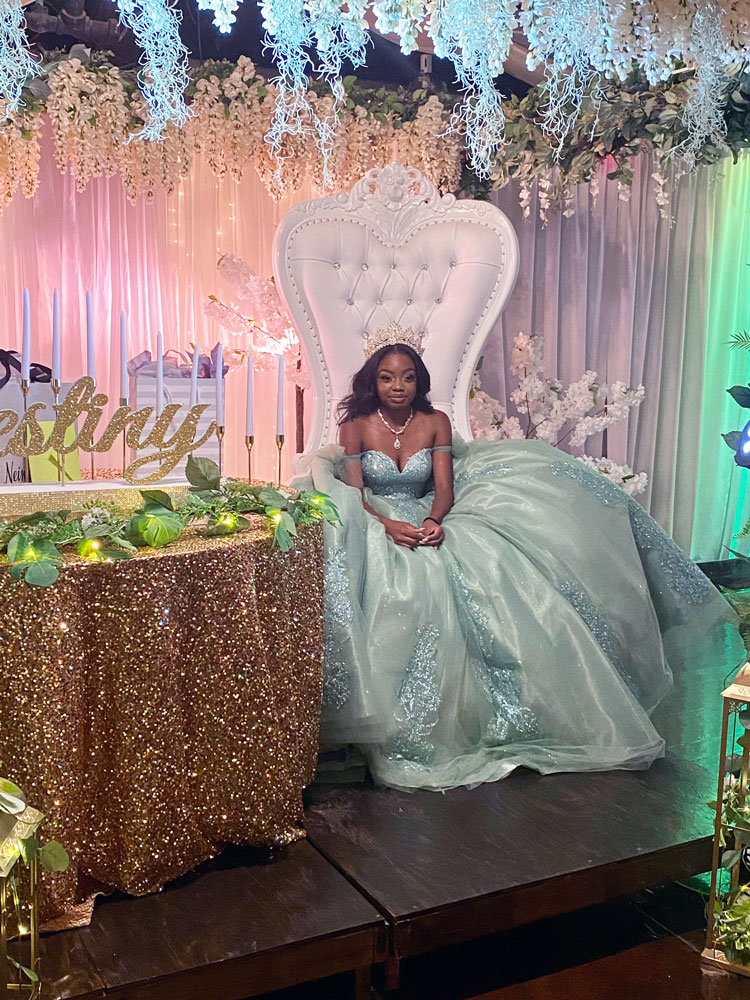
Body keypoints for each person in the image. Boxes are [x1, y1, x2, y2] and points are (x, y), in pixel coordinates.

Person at [302, 323, 743, 792]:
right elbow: (354, 497)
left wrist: (435, 522)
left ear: (420, 381)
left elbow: (445, 488)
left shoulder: (434, 422)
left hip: (429, 513)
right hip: (375, 517)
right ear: (373, 380)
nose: (397, 386)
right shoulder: (354, 427)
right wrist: (388, 526)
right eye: (388, 377)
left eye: (407, 377)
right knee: (404, 581)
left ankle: (509, 715)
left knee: (487, 566)